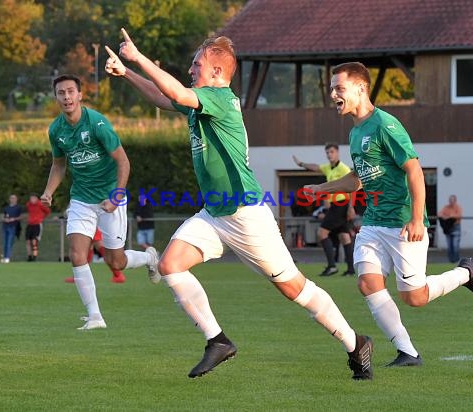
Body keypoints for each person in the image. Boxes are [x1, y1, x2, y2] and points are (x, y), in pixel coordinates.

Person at [104, 29, 373, 380]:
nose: (190, 69)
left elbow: (174, 91)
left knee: (295, 289)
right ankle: (217, 341)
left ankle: (356, 344)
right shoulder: (199, 101)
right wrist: (128, 74)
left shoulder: (220, 98)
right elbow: (161, 97)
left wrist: (137, 58)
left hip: (246, 216)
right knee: (170, 265)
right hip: (215, 214)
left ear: (217, 73)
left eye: (196, 64)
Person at [304, 62, 473, 367]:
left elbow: (415, 170)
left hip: (403, 222)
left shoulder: (384, 125)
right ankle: (408, 352)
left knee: (414, 297)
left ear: (361, 88)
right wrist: (322, 188)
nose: (333, 94)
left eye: (339, 88)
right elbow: (357, 178)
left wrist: (417, 219)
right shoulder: (355, 134)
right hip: (374, 221)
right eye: (331, 89)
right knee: (367, 283)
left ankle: (465, 274)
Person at [41, 73, 159, 331]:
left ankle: (150, 259)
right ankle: (95, 316)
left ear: (80, 95)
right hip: (81, 198)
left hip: (110, 196)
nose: (67, 97)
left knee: (115, 262)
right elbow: (59, 166)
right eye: (61, 93)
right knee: (76, 254)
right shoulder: (56, 130)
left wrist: (116, 196)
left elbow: (123, 161)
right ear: (56, 97)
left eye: (71, 91)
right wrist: (49, 191)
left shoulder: (97, 123)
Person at [293, 143, 355, 276]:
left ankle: (332, 266)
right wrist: (301, 164)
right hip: (335, 206)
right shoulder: (328, 168)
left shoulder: (344, 169)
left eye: (331, 152)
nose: (329, 155)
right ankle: (350, 269)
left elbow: (353, 187)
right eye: (327, 152)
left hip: (341, 204)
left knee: (322, 233)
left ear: (337, 153)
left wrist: (351, 207)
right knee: (344, 236)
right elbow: (316, 167)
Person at [25, 193, 51, 262]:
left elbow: (47, 211)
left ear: (37, 198)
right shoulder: (28, 204)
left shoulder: (40, 204)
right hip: (30, 224)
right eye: (31, 198)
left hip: (37, 225)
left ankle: (34, 257)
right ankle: (29, 256)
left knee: (34, 241)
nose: (32, 199)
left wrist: (41, 218)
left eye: (34, 198)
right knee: (27, 241)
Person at [437, 195, 463, 263]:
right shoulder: (446, 207)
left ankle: (456, 259)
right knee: (449, 245)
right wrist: (447, 217)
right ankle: (451, 260)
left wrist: (449, 216)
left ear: (455, 201)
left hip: (455, 227)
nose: (451, 202)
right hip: (448, 228)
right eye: (450, 200)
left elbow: (458, 215)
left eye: (452, 200)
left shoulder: (458, 207)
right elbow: (439, 214)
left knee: (455, 245)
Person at [1, 194, 23, 263]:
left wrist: (14, 219)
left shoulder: (18, 208)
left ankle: (7, 257)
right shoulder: (6, 208)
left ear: (16, 199)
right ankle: (4, 257)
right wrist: (5, 219)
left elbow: (22, 216)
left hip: (13, 227)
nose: (12, 199)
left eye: (14, 198)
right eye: (11, 198)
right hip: (5, 226)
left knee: (9, 242)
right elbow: (2, 216)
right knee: (5, 242)